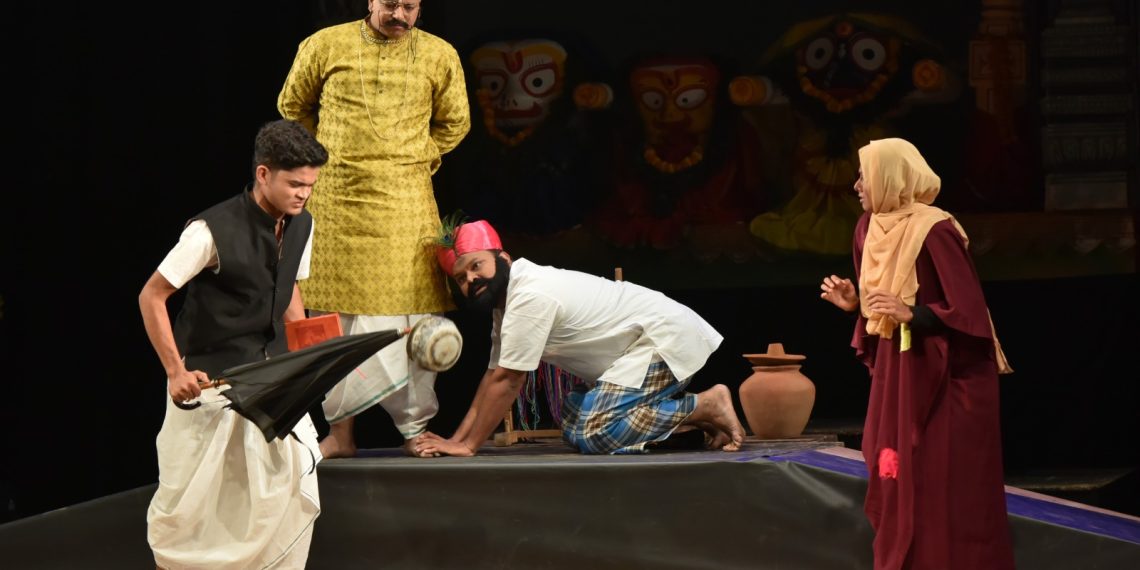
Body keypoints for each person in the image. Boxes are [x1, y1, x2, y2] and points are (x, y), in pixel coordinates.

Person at [277, 0, 471, 459]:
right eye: (390, 4)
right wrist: (324, 159)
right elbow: (292, 106)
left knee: (409, 314)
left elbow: (456, 122)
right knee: (334, 318)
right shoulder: (325, 45)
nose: (399, 15)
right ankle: (340, 434)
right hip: (336, 201)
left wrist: (415, 157)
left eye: (409, 6)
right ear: (369, 1)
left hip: (405, 202)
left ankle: (415, 429)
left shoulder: (440, 53)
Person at [138, 119, 329, 569]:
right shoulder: (211, 230)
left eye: (310, 185)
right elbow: (152, 295)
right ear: (263, 174)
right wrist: (175, 371)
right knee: (198, 512)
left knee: (282, 495)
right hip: (213, 383)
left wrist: (310, 353)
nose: (303, 194)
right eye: (294, 184)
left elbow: (288, 287)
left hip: (272, 380)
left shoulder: (302, 224)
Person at [819, 138, 1014, 570]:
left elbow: (970, 313)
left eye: (865, 177)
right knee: (891, 464)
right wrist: (856, 305)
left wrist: (915, 313)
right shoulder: (867, 228)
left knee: (944, 478)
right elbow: (880, 309)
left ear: (891, 177)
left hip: (949, 374)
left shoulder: (935, 229)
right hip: (900, 366)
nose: (857, 186)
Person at [414, 218, 746, 457]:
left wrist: (468, 446)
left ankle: (704, 405)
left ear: (503, 258)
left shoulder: (529, 294)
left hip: (664, 340)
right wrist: (456, 440)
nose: (471, 279)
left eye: (476, 266)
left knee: (593, 431)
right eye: (461, 278)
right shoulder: (508, 305)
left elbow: (509, 380)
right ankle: (690, 422)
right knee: (573, 422)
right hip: (639, 352)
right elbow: (492, 377)